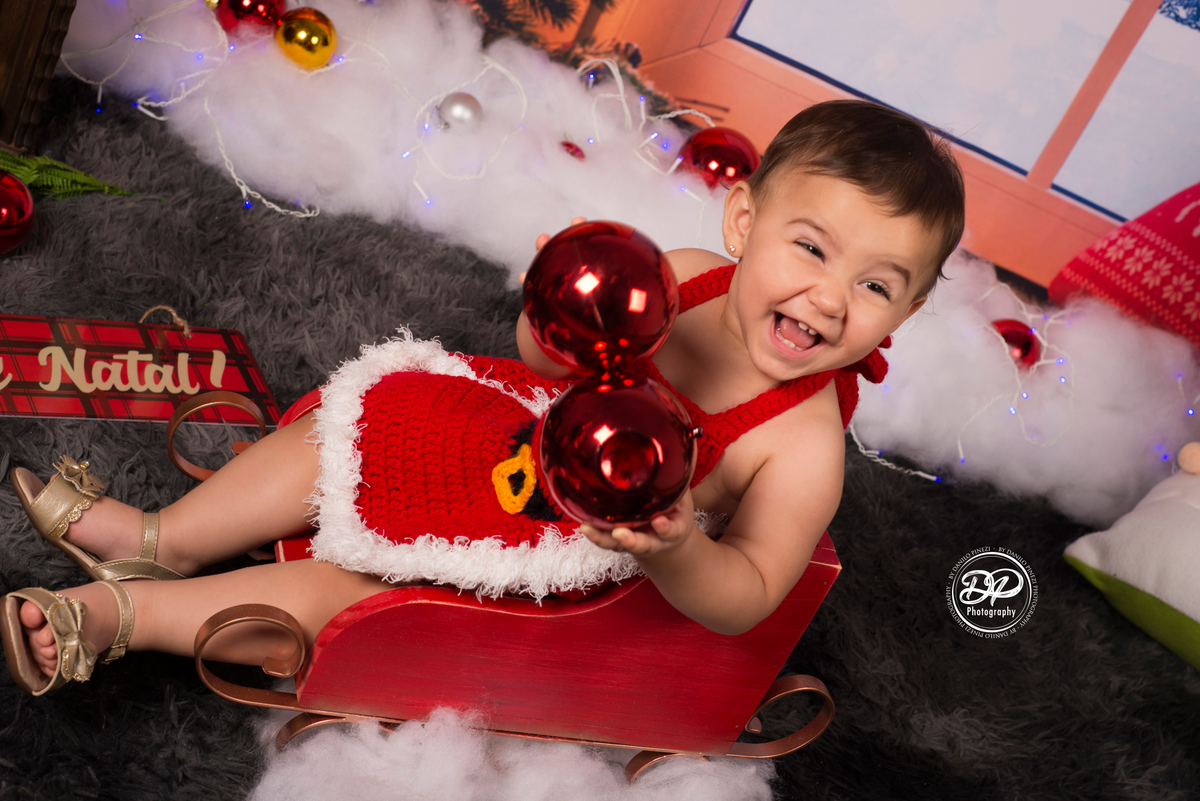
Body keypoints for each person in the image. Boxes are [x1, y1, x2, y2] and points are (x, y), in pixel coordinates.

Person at [2, 100, 964, 695]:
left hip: (572, 561)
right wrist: (545, 335)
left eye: (878, 285)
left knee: (369, 605)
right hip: (514, 440)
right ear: (745, 220)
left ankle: (122, 619)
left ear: (908, 311)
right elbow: (548, 366)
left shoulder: (801, 445)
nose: (831, 298)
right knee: (348, 427)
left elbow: (749, 594)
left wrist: (677, 546)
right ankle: (159, 541)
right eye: (811, 247)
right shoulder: (684, 275)